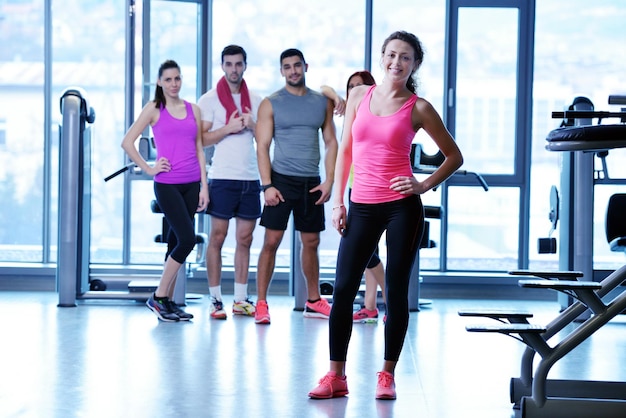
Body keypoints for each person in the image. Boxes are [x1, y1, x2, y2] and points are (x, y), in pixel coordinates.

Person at [309, 31, 463, 399]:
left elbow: (454, 156)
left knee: (394, 293)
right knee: (344, 288)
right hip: (361, 205)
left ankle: (387, 375)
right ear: (382, 57)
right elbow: (345, 149)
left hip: (401, 209)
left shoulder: (419, 107)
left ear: (414, 64)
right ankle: (336, 377)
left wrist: (423, 186)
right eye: (391, 55)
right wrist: (339, 202)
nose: (397, 62)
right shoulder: (359, 95)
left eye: (405, 57)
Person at [254, 48, 339, 325]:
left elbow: (331, 142)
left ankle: (313, 301)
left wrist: (329, 180)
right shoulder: (271, 103)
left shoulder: (321, 102)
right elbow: (263, 147)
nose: (292, 71)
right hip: (280, 181)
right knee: (271, 242)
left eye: (297, 66)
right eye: (287, 67)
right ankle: (262, 304)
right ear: (281, 71)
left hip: (311, 182)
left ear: (305, 66)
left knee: (311, 242)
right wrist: (267, 185)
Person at [122, 59, 209, 322]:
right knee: (187, 240)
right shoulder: (154, 109)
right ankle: (159, 297)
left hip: (192, 184)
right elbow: (127, 142)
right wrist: (149, 168)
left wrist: (204, 186)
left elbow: (199, 149)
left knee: (174, 242)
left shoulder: (193, 109)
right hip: (167, 185)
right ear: (160, 82)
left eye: (177, 78)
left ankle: (168, 303)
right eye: (168, 79)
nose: (174, 84)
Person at [197, 45, 262, 320]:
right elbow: (201, 139)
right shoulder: (209, 100)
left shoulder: (257, 101)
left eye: (238, 64)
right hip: (222, 177)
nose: (234, 69)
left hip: (249, 178)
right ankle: (215, 300)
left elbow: (266, 139)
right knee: (218, 238)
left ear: (245, 65)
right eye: (229, 64)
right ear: (222, 66)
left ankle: (239, 299)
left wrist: (251, 125)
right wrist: (229, 128)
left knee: (244, 239)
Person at [323, 71, 386, 324]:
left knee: (370, 254)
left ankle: (390, 296)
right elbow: (323, 87)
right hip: (355, 189)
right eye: (351, 87)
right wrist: (338, 97)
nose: (356, 90)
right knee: (370, 253)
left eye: (361, 86)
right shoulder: (351, 108)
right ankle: (370, 306)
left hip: (377, 190)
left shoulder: (377, 111)